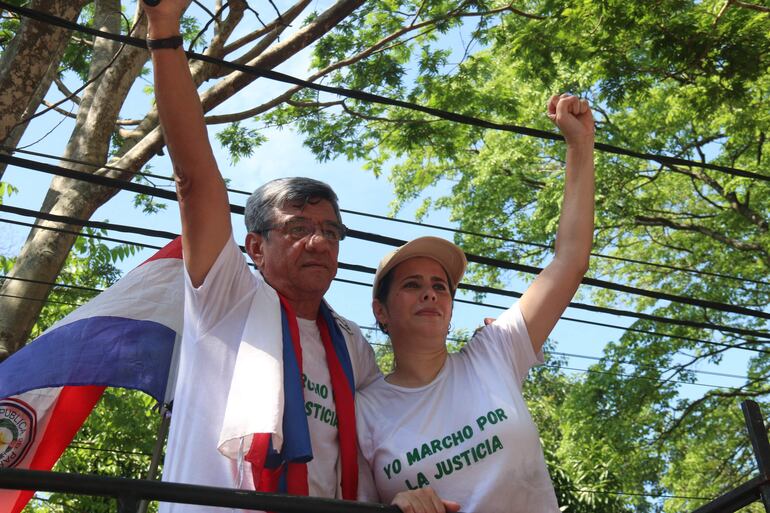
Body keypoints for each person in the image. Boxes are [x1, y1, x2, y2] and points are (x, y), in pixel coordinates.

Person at [143, 2, 380, 511]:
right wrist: (163, 33)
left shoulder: (354, 346)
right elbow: (194, 181)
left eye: (330, 230)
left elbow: (391, 438)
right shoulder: (229, 297)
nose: (319, 242)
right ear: (255, 247)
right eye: (298, 228)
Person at [356, 93, 595, 513]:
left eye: (441, 286)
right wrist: (397, 504)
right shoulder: (363, 410)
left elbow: (569, 261)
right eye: (412, 285)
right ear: (381, 311)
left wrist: (580, 147)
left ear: (450, 309)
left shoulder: (495, 352)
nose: (431, 293)